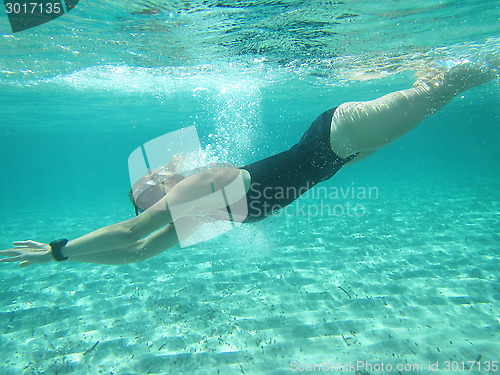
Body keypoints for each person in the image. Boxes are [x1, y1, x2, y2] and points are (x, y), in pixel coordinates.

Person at [1, 59, 498, 267]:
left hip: (335, 133)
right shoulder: (198, 215)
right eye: (147, 197)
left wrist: (57, 252)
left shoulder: (204, 185)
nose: (148, 208)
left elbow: (132, 236)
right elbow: (136, 250)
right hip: (344, 156)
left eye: (147, 197)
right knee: (437, 95)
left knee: (441, 89)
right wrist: (65, 261)